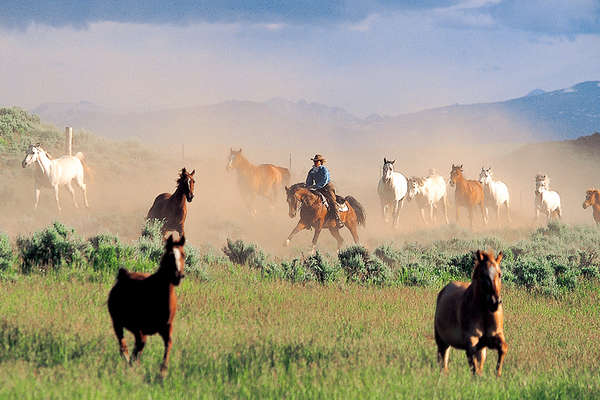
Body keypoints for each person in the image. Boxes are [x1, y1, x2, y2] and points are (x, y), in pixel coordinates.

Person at [305, 154, 344, 228]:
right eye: (315, 161)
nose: (315, 162)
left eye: (317, 161)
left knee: (332, 201)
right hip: (317, 188)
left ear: (321, 162)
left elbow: (324, 181)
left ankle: (338, 219)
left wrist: (315, 186)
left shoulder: (324, 170)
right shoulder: (312, 171)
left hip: (327, 187)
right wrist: (308, 187)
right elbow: (309, 181)